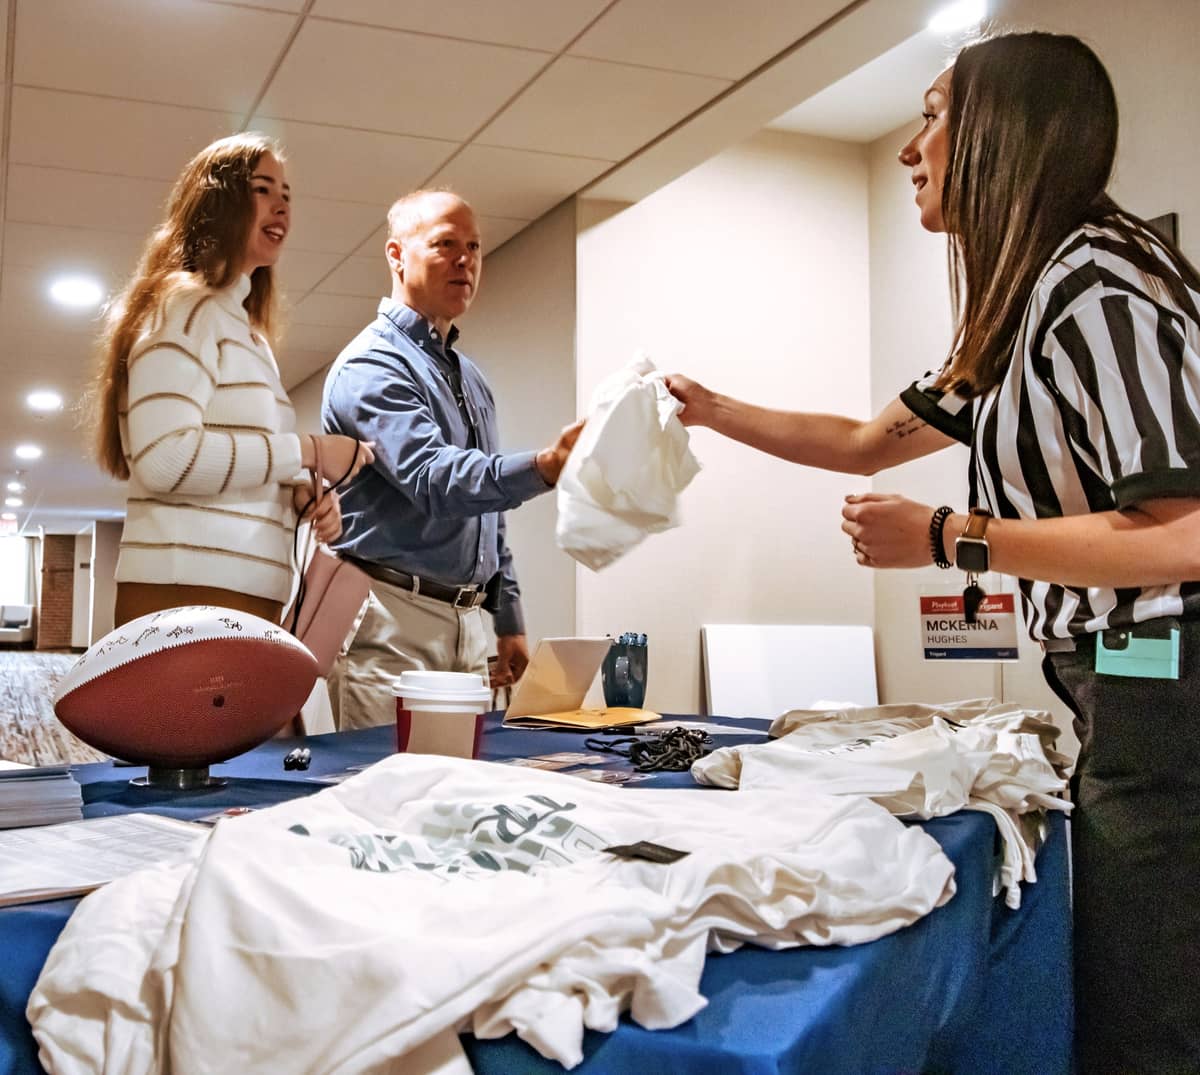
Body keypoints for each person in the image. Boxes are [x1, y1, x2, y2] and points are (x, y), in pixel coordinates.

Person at [667, 31, 1200, 1075]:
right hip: (1125, 676)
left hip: (1166, 674)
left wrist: (952, 539)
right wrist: (708, 409)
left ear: (1004, 132)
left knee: (1147, 1004)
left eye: (933, 115)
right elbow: (867, 442)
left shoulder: (1098, 288)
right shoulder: (1015, 311)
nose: (914, 148)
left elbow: (1184, 529)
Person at [322, 189, 581, 730]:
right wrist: (545, 466)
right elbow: (437, 481)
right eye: (445, 244)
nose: (465, 260)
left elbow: (488, 514)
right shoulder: (371, 365)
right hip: (392, 620)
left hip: (469, 624)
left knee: (459, 793)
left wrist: (507, 618)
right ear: (396, 254)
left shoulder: (470, 377)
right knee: (389, 797)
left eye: (474, 247)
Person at [93, 133, 373, 628]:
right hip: (186, 597)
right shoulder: (186, 304)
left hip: (242, 597)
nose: (282, 206)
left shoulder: (247, 332)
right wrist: (308, 453)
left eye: (287, 195)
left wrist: (296, 496)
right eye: (263, 189)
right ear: (217, 200)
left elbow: (236, 461)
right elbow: (166, 459)